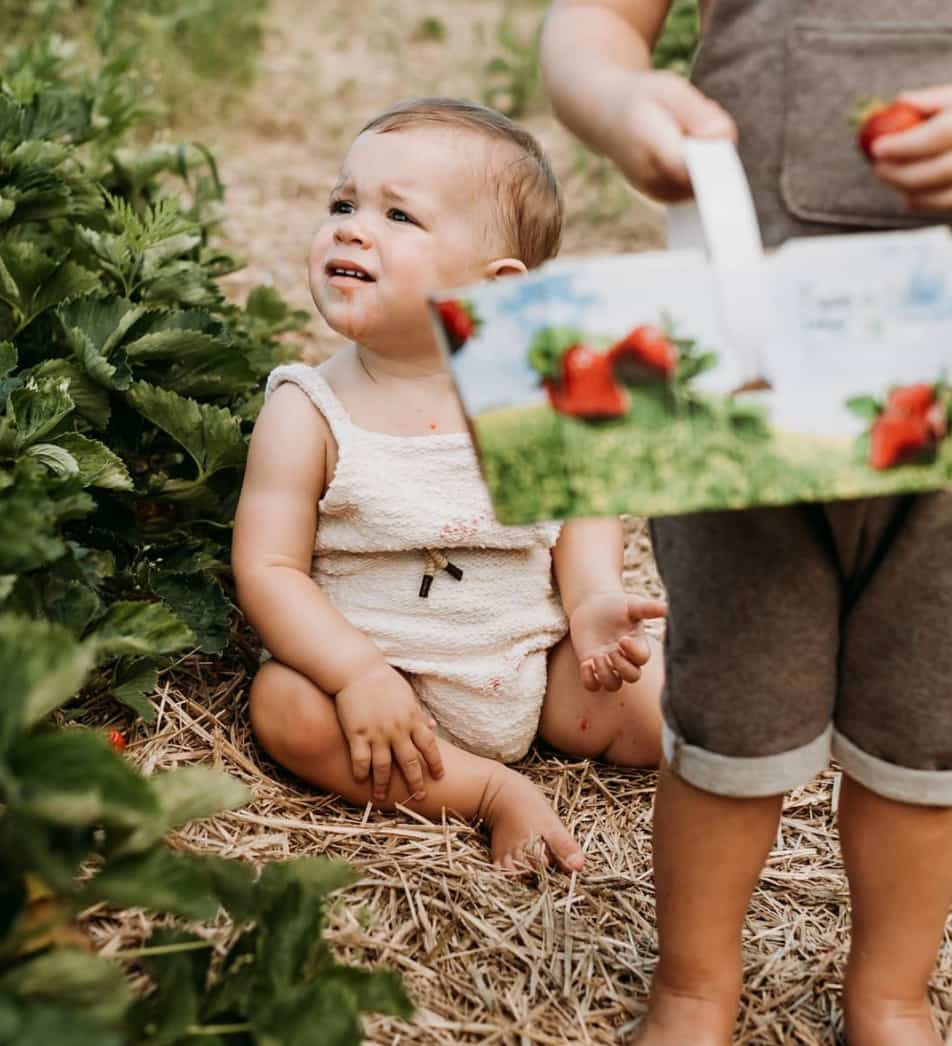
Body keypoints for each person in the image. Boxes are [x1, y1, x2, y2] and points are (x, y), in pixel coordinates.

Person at [541, 2, 952, 1043]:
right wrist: (617, 94)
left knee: (926, 728)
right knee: (731, 705)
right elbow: (589, 25)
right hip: (747, 382)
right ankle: (692, 983)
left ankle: (890, 992)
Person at [231, 98, 666, 875]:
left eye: (399, 215)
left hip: (531, 670)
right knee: (284, 708)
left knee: (666, 691)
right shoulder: (309, 411)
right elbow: (268, 570)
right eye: (343, 202)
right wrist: (356, 672)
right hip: (379, 694)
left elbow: (578, 512)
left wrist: (594, 600)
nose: (351, 226)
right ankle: (490, 792)